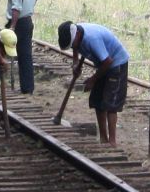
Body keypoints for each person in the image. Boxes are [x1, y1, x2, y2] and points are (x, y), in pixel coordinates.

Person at [56, 19, 130, 147]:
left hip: (116, 64)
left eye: (73, 44)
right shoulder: (76, 35)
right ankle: (103, 138)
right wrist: (75, 64)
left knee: (111, 104)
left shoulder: (92, 39)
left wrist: (93, 80)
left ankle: (112, 142)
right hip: (103, 65)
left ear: (77, 35)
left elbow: (108, 61)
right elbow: (76, 48)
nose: (73, 47)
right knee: (97, 101)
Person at [5, 0, 37, 96]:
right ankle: (27, 87)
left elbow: (16, 8)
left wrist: (12, 26)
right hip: (28, 21)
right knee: (25, 55)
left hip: (18, 23)